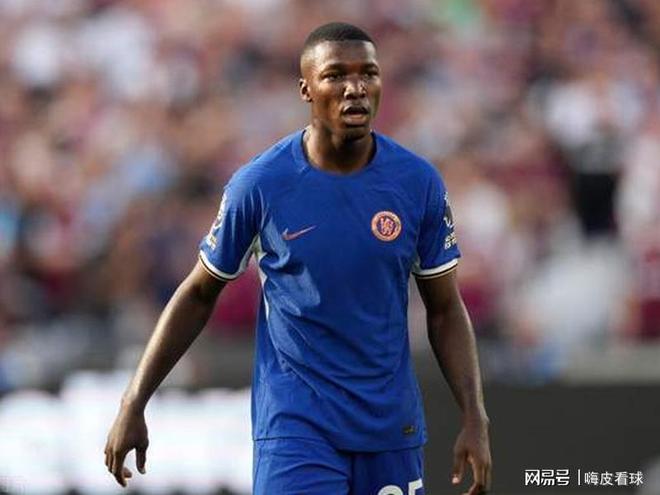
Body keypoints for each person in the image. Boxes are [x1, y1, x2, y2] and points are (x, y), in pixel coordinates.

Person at [104, 22, 492, 495]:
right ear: (306, 88)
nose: (355, 88)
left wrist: (474, 415)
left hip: (390, 427)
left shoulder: (417, 184)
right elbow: (199, 292)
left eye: (368, 73)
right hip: (296, 429)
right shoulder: (261, 185)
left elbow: (445, 309)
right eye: (336, 75)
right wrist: (134, 400)